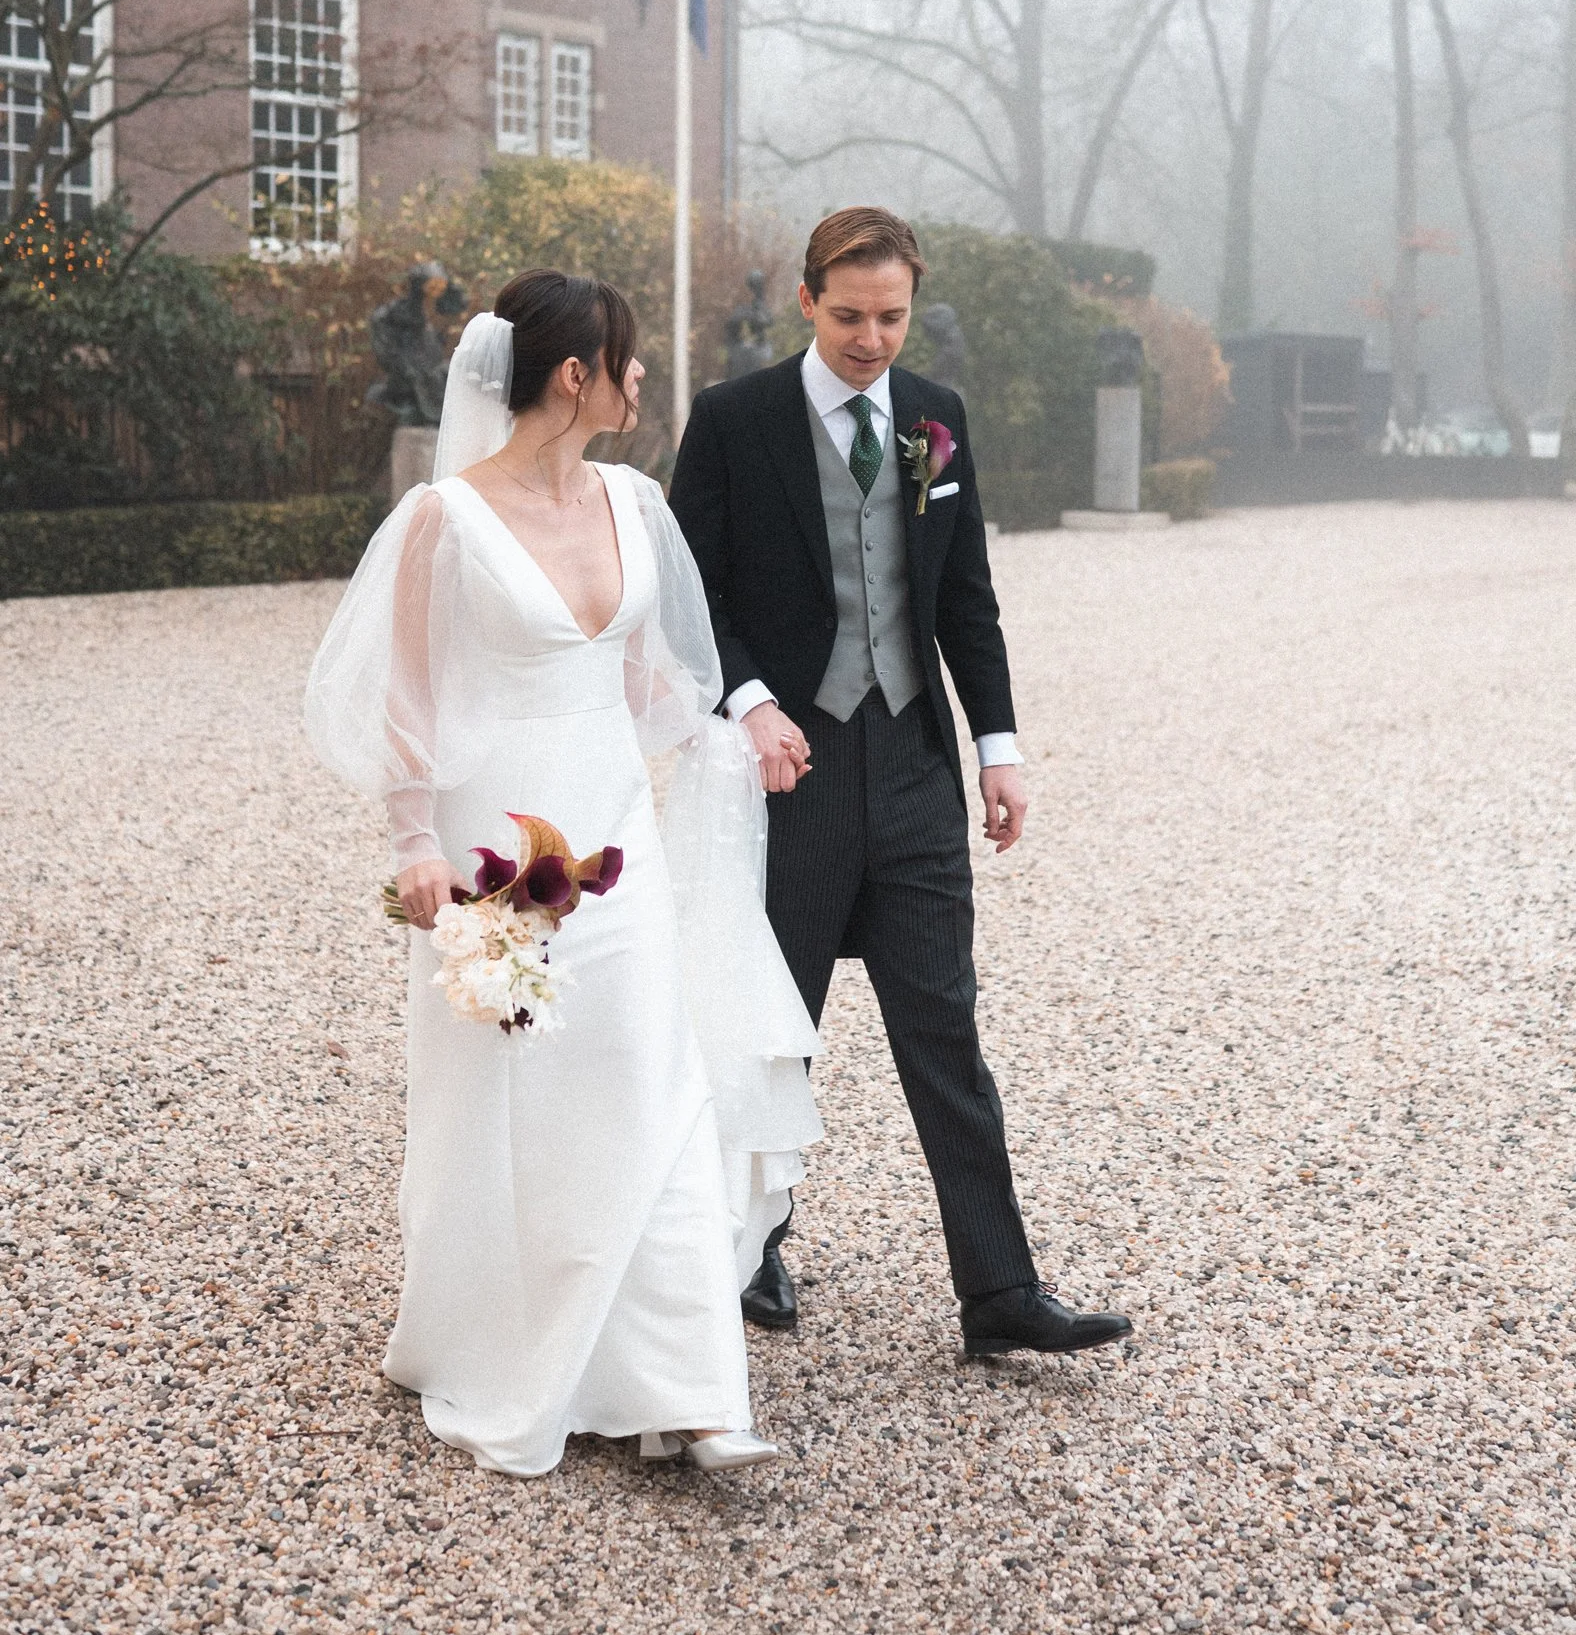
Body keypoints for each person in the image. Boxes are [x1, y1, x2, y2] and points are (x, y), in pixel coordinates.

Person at [304, 270, 820, 1477]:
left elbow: (654, 681)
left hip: (617, 841)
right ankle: (499, 1340)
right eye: (630, 361)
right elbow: (405, 694)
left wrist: (738, 726)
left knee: (654, 1080)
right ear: (575, 375)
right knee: (512, 1102)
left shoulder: (636, 503)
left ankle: (691, 1393)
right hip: (497, 850)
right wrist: (412, 844)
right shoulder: (445, 518)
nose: (645, 381)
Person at [669, 207, 1132, 1359]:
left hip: (915, 767)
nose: (871, 338)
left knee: (944, 1026)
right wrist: (749, 700)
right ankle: (749, 1244)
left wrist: (999, 747)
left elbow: (962, 593)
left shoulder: (937, 419)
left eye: (891, 317)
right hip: (790, 771)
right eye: (849, 315)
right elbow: (687, 596)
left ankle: (998, 1292)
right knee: (777, 1029)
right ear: (806, 300)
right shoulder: (733, 421)